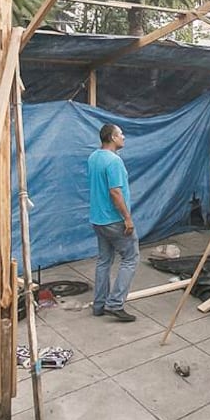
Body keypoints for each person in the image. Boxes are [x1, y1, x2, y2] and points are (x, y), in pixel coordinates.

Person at [87, 124, 139, 322]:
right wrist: (127, 218)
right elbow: (115, 192)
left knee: (104, 261)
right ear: (112, 137)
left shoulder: (94, 157)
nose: (123, 137)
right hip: (114, 220)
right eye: (120, 134)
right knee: (131, 258)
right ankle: (115, 303)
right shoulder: (114, 162)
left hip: (98, 219)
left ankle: (99, 305)